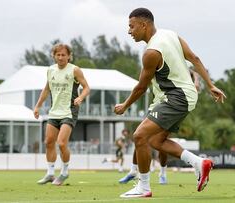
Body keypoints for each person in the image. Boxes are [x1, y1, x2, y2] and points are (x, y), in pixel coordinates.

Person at [114, 8, 226, 198]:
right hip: (186, 95)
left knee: (140, 136)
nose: (129, 31)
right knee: (155, 140)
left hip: (177, 97)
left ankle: (143, 187)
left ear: (144, 24)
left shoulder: (151, 52)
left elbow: (141, 87)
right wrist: (210, 85)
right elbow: (195, 58)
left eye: (132, 26)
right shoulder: (170, 34)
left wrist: (125, 105)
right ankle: (199, 163)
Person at [34, 44, 90, 186]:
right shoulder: (50, 70)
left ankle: (64, 172)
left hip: (69, 111)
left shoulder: (75, 70)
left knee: (61, 142)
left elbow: (87, 87)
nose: (60, 57)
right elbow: (46, 89)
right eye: (58, 55)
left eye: (63, 55)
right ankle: (50, 173)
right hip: (54, 112)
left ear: (69, 56)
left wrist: (81, 97)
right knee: (48, 142)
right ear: (54, 56)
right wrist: (37, 106)